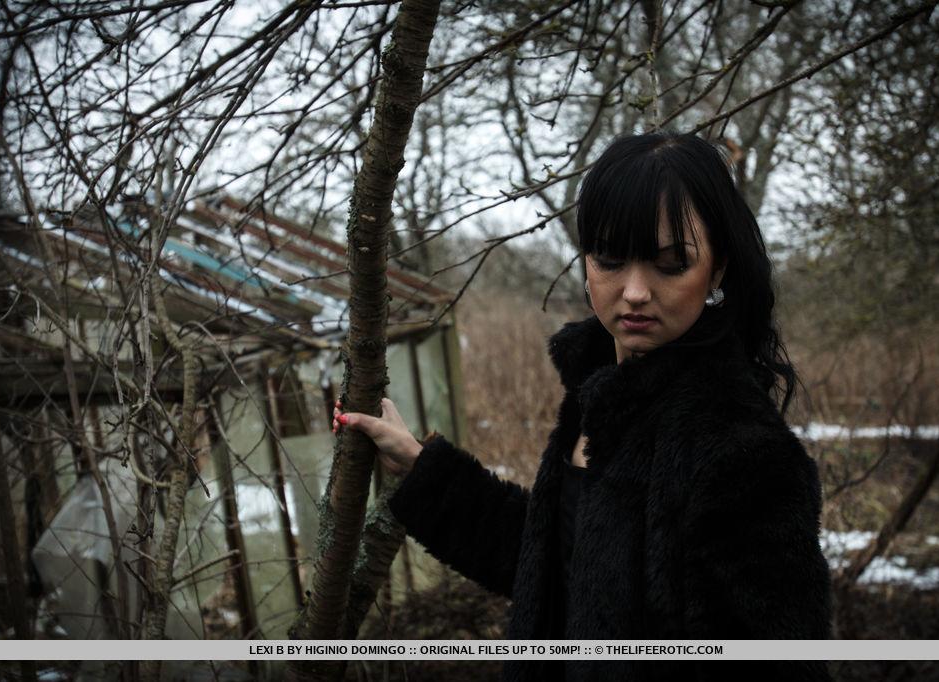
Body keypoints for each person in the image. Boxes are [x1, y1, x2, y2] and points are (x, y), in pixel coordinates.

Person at [333, 131, 834, 681]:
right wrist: (424, 470)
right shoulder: (597, 397)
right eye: (611, 259)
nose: (635, 290)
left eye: (671, 264)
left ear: (717, 269)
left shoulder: (747, 453)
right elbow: (559, 561)